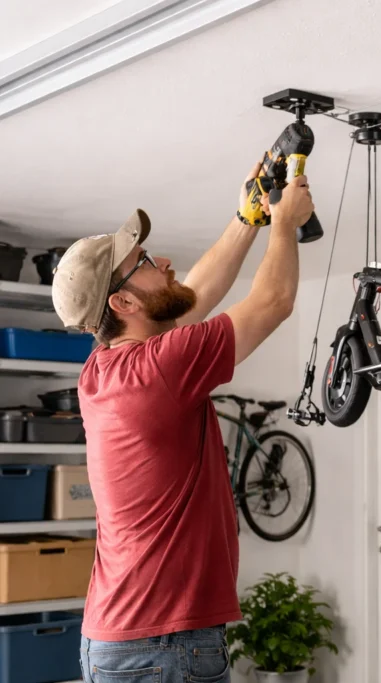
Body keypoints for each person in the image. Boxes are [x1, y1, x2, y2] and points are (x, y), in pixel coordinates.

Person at [50, 163, 314, 683]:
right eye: (145, 260)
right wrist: (285, 223)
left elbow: (194, 293)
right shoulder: (157, 370)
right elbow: (273, 302)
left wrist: (248, 217)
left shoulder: (104, 371)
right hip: (162, 643)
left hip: (123, 636)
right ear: (122, 302)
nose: (163, 260)